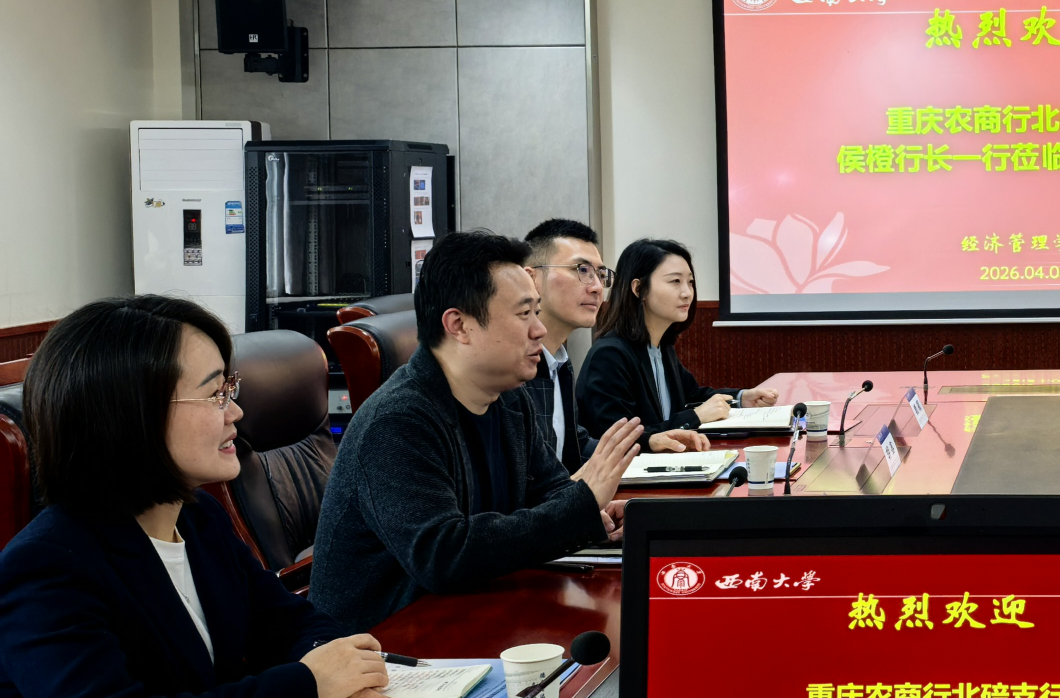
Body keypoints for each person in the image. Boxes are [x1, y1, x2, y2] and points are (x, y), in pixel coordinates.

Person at [0, 296, 396, 698]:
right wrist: (306, 684)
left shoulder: (198, 517)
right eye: (215, 394)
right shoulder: (47, 565)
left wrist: (335, 662)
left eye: (229, 388)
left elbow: (288, 621)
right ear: (131, 415)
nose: (236, 412)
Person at [311, 230, 642, 634]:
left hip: (475, 615)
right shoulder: (397, 421)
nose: (539, 330)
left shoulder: (508, 397)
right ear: (460, 326)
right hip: (387, 644)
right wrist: (579, 507)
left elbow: (551, 491)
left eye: (537, 312)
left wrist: (595, 518)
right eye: (524, 314)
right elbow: (444, 555)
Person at [520, 218, 708, 471]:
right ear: (531, 278)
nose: (597, 287)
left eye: (600, 274)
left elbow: (576, 443)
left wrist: (650, 442)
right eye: (582, 270)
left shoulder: (560, 363)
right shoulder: (511, 371)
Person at [578, 238, 779, 434]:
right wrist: (695, 417)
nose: (687, 293)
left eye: (690, 282)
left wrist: (742, 398)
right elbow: (618, 439)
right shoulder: (610, 355)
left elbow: (692, 395)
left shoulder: (661, 347)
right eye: (675, 281)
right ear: (639, 289)